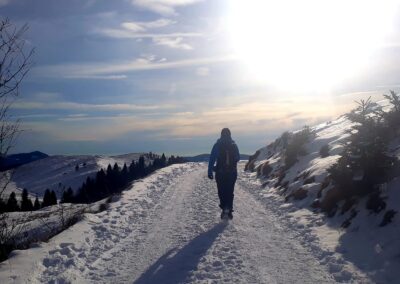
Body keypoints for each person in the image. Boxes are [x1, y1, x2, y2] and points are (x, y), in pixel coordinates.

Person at [208, 128, 240, 219]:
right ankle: (229, 210)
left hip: (220, 172)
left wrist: (210, 171)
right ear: (230, 134)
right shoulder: (234, 145)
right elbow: (238, 157)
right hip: (232, 172)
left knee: (221, 191)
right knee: (230, 191)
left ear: (221, 135)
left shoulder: (217, 145)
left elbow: (212, 159)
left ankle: (224, 208)